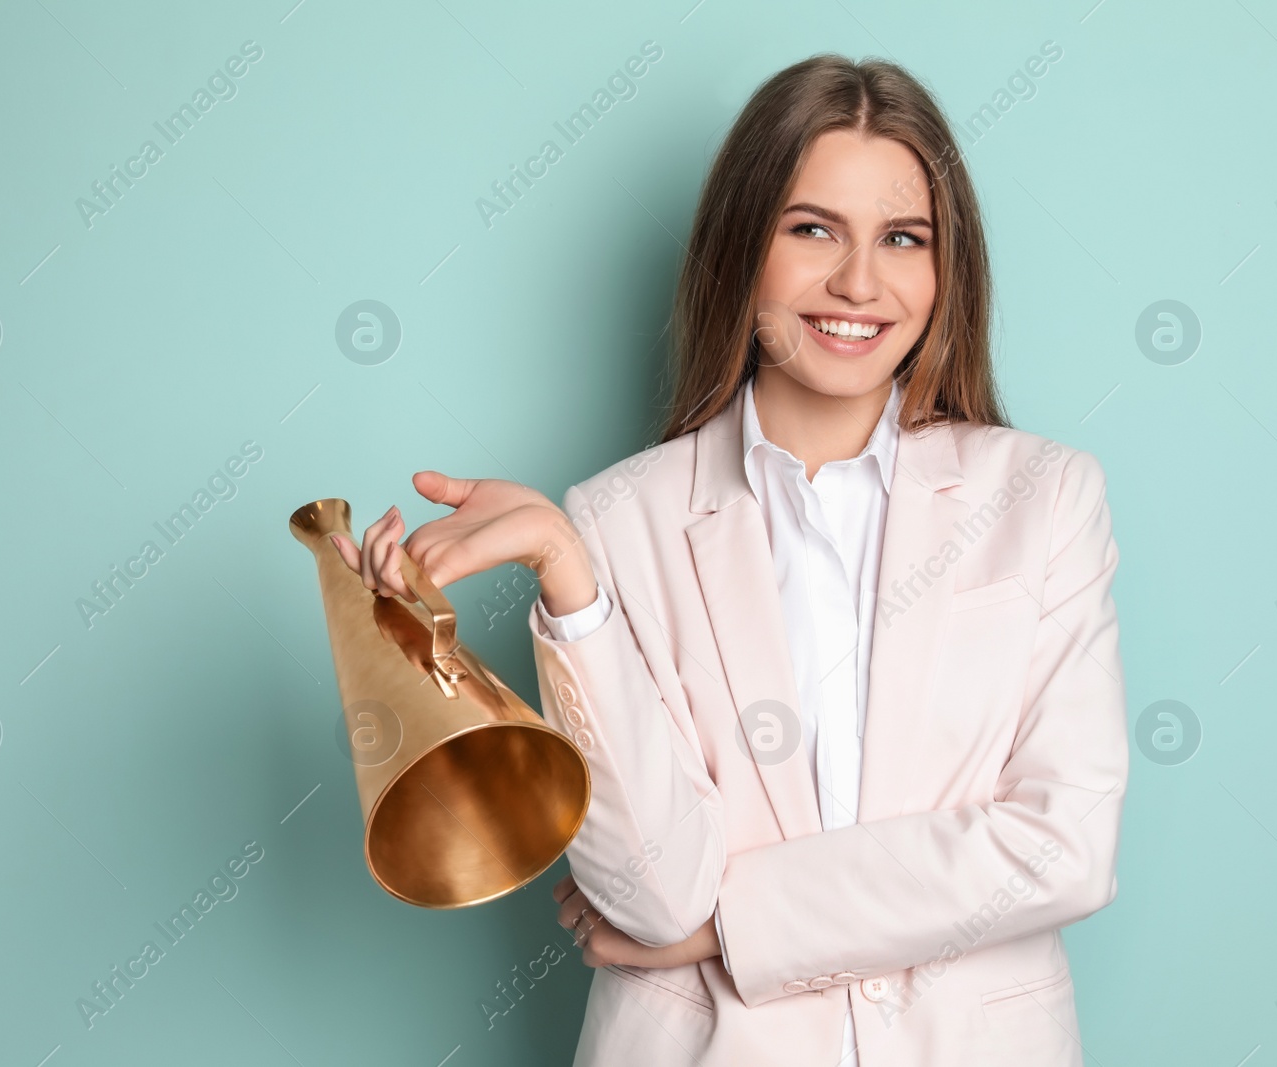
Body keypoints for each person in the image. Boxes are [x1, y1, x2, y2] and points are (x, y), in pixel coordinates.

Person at [331, 53, 1127, 1067]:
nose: (858, 282)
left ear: (944, 268)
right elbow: (653, 889)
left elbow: (1061, 846)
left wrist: (731, 925)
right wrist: (567, 583)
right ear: (738, 248)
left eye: (902, 238)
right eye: (811, 230)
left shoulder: (1045, 497)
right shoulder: (618, 517)